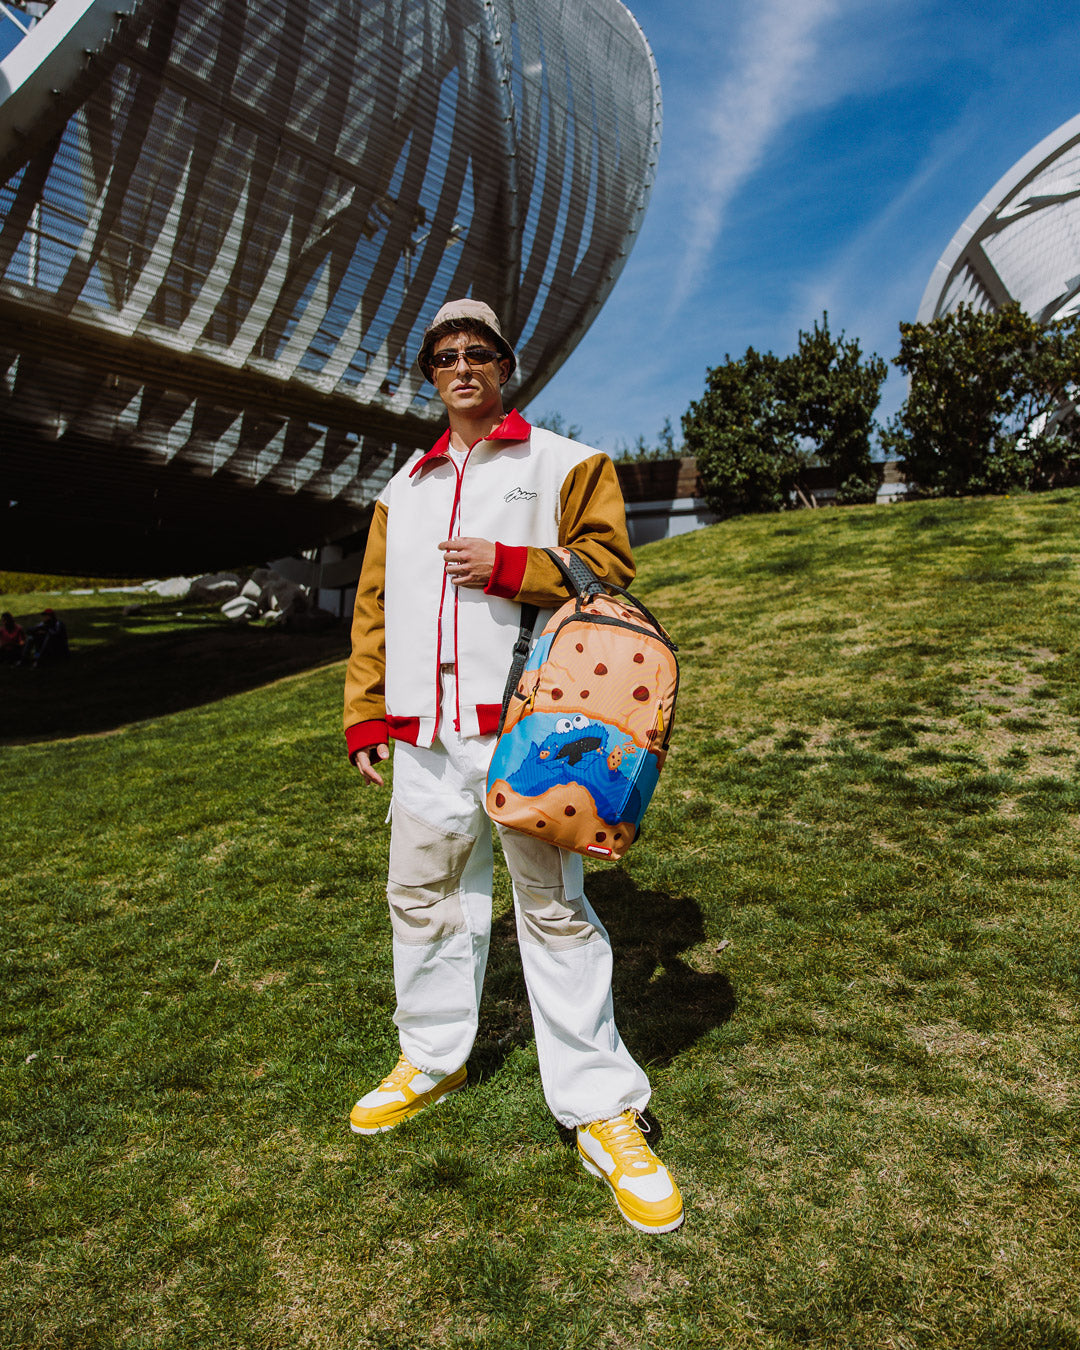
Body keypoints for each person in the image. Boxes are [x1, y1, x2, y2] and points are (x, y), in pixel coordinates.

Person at [343, 298, 683, 1235]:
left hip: (533, 732)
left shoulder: (565, 462)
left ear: (506, 365)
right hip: (421, 736)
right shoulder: (400, 490)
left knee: (555, 910)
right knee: (423, 899)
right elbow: (373, 610)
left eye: (478, 352)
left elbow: (610, 568)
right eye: (443, 355)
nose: (461, 365)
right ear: (430, 372)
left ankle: (602, 1107)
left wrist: (510, 565)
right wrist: (366, 714)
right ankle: (435, 1055)